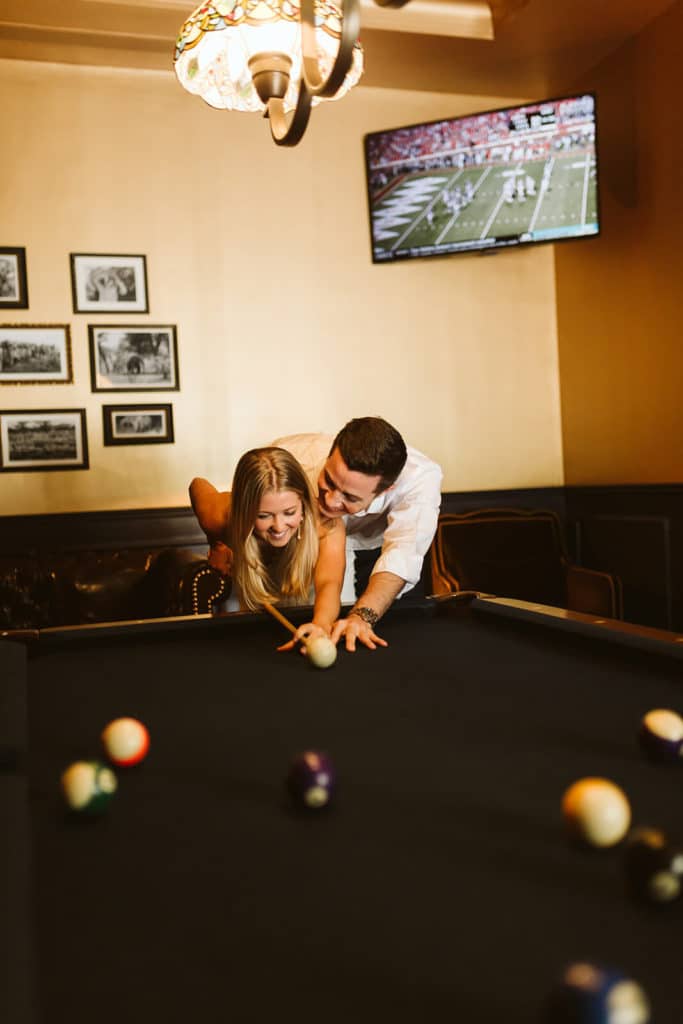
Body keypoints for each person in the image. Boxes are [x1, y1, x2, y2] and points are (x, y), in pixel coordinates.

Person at [191, 418, 442, 652]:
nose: (331, 502)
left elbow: (398, 557)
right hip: (257, 542)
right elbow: (199, 488)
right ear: (330, 455)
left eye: (350, 497)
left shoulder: (417, 484)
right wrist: (219, 543)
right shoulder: (297, 465)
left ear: (387, 490)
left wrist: (339, 622)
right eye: (329, 482)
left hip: (327, 541)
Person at [190, 447, 345, 650]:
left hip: (302, 573)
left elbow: (329, 582)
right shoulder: (220, 518)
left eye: (289, 512)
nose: (279, 527)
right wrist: (216, 544)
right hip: (252, 570)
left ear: (303, 503)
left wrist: (320, 625)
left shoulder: (326, 526)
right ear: (245, 512)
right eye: (263, 516)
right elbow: (196, 485)